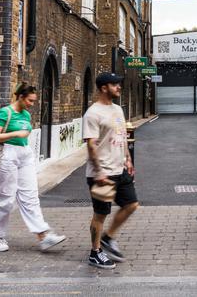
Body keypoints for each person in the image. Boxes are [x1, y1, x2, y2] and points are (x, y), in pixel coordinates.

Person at [0, 82, 66, 252]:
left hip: (24, 154)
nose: (31, 104)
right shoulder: (5, 112)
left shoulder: (26, 115)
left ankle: (43, 236)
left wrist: (22, 138)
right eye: (29, 100)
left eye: (33, 101)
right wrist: (16, 133)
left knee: (30, 196)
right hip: (6, 153)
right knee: (4, 198)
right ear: (20, 97)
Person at [84, 72, 139, 269]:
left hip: (120, 168)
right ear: (103, 88)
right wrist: (99, 171)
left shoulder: (118, 110)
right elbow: (91, 145)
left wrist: (128, 159)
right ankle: (95, 252)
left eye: (119, 84)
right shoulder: (93, 113)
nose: (119, 87)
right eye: (115, 85)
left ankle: (108, 237)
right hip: (102, 173)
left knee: (131, 204)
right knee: (100, 214)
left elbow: (122, 135)